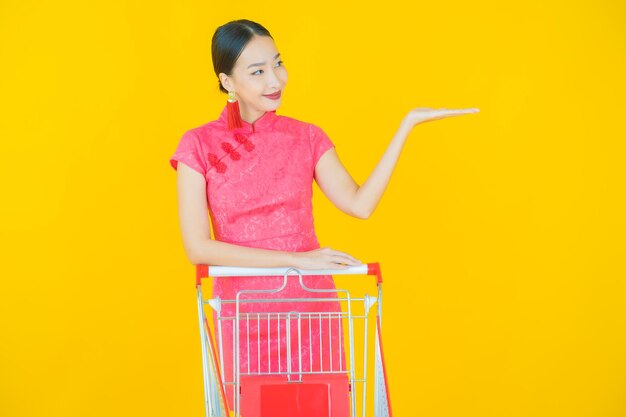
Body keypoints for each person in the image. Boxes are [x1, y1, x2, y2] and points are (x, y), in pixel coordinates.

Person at [170, 19, 478, 411]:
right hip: (245, 315)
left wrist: (406, 127)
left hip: (312, 309)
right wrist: (296, 261)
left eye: (277, 63)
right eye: (257, 71)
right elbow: (198, 247)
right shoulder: (197, 145)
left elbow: (359, 204)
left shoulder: (307, 137)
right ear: (227, 81)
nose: (274, 79)